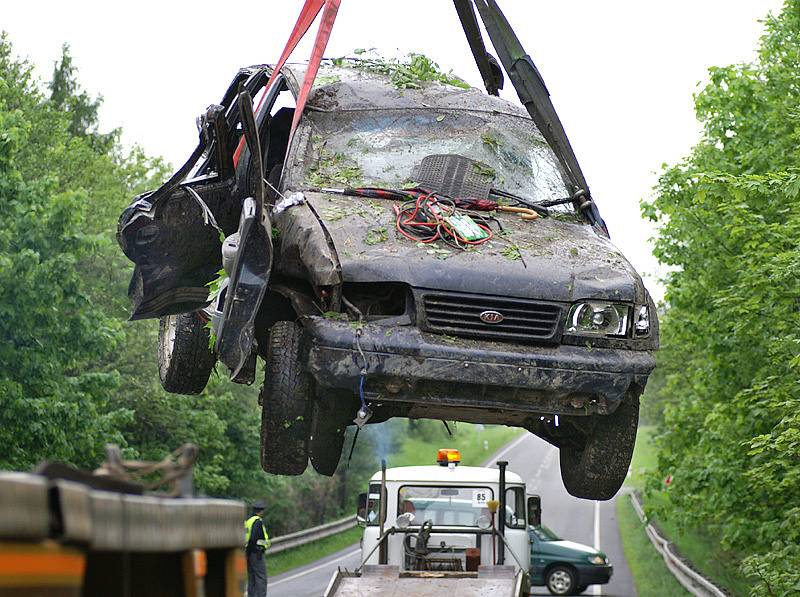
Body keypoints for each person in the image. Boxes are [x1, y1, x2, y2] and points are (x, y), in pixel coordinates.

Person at [244, 500, 271, 596]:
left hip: (249, 552)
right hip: (257, 553)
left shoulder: (247, 521)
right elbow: (253, 538)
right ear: (261, 511)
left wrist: (247, 552)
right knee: (261, 577)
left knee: (252, 577)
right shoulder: (257, 521)